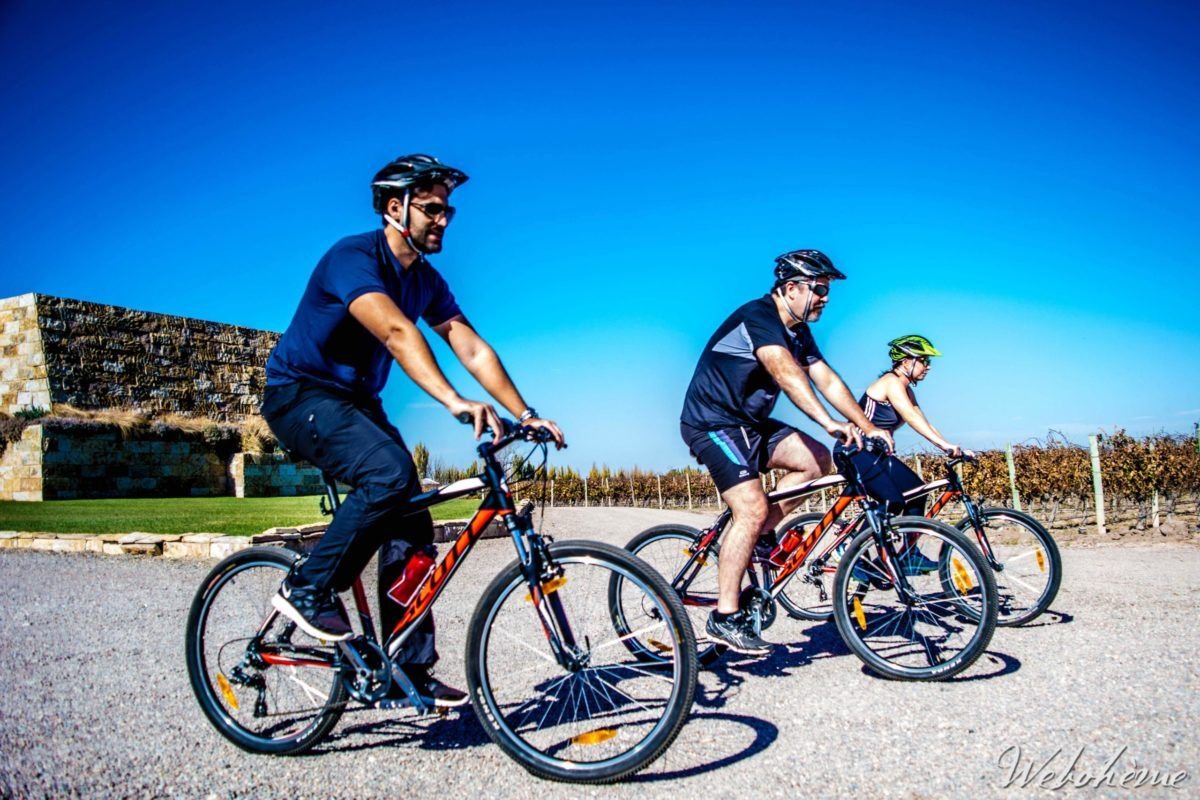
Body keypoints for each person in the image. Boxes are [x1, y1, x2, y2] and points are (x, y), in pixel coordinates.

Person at [261, 154, 565, 707]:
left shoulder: (425, 280)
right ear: (394, 208)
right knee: (389, 471)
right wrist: (453, 401)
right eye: (431, 208)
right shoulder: (353, 258)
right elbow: (398, 333)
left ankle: (409, 667)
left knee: (413, 515)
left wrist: (525, 414)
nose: (444, 219)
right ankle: (307, 587)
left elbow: (469, 345)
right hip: (300, 394)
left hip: (356, 402)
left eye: (448, 210)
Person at [679, 249, 894, 656]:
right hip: (713, 423)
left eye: (828, 291)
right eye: (819, 289)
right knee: (751, 508)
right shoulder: (759, 316)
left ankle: (759, 533)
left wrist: (868, 426)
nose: (825, 298)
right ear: (791, 288)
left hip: (752, 425)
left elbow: (826, 378)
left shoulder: (799, 331)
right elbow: (784, 370)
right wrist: (827, 422)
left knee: (818, 461)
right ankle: (725, 617)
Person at [843, 334, 974, 575]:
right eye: (923, 360)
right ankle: (852, 550)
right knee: (891, 500)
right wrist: (944, 446)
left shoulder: (905, 389)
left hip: (876, 454)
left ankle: (908, 554)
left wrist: (950, 445)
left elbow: (924, 421)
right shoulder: (890, 382)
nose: (928, 367)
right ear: (905, 362)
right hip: (855, 450)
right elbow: (912, 419)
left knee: (916, 492)